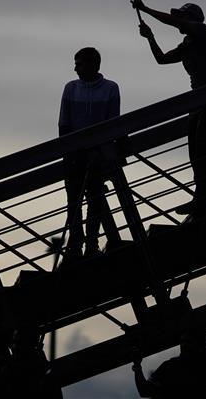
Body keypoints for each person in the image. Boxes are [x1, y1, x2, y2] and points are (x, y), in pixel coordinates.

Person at [131, 0, 206, 220]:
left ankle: (204, 201)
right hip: (199, 103)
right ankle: (201, 199)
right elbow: (162, 59)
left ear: (193, 20)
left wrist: (145, 8)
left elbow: (175, 23)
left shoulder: (204, 32)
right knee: (196, 152)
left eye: (182, 16)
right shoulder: (188, 44)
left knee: (204, 148)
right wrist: (150, 37)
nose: (178, 19)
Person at [58, 47, 121, 262]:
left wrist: (101, 150)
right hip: (74, 154)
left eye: (80, 64)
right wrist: (67, 152)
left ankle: (91, 243)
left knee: (95, 200)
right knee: (73, 201)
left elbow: (112, 122)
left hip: (98, 154)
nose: (75, 68)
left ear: (94, 64)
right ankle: (76, 245)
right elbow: (64, 123)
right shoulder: (70, 88)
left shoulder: (110, 89)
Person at [132, 332, 206, 399]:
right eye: (182, 341)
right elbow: (144, 391)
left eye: (188, 342)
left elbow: (144, 391)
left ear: (199, 345)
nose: (183, 345)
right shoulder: (170, 367)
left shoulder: (170, 367)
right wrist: (137, 366)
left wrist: (137, 366)